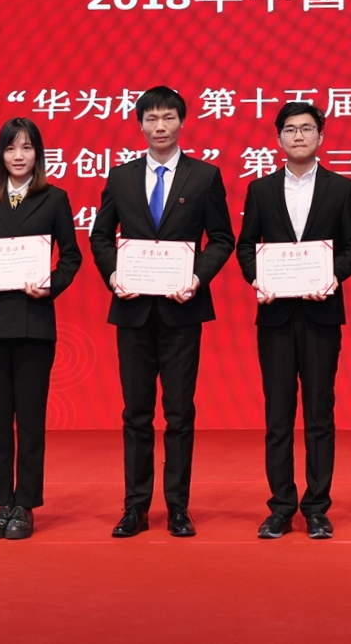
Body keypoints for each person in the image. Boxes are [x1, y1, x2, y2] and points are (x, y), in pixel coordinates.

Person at [89, 86, 235, 539]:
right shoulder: (121, 176)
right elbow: (99, 237)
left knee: (178, 413)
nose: (160, 126)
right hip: (133, 310)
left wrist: (197, 277)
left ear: (181, 122)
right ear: (140, 124)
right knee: (136, 413)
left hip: (181, 310)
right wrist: (113, 274)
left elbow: (222, 238)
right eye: (151, 118)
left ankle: (177, 507)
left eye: (168, 117)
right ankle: (135, 507)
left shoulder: (204, 176)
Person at [236, 102, 351, 540]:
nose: (298, 136)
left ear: (320, 137)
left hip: (320, 312)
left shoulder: (341, 188)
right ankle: (280, 506)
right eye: (290, 129)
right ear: (278, 139)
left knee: (319, 414)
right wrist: (258, 278)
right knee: (278, 415)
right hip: (275, 315)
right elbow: (246, 246)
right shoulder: (260, 189)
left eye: (307, 129)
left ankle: (316, 508)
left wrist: (331, 276)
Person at [0, 118, 82, 540]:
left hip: (33, 322)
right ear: (0, 155)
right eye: (10, 148)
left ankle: (25, 504)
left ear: (38, 154)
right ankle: (1, 504)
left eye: (26, 148)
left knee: (29, 419)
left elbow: (72, 257)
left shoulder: (54, 198)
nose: (18, 156)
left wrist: (50, 285)